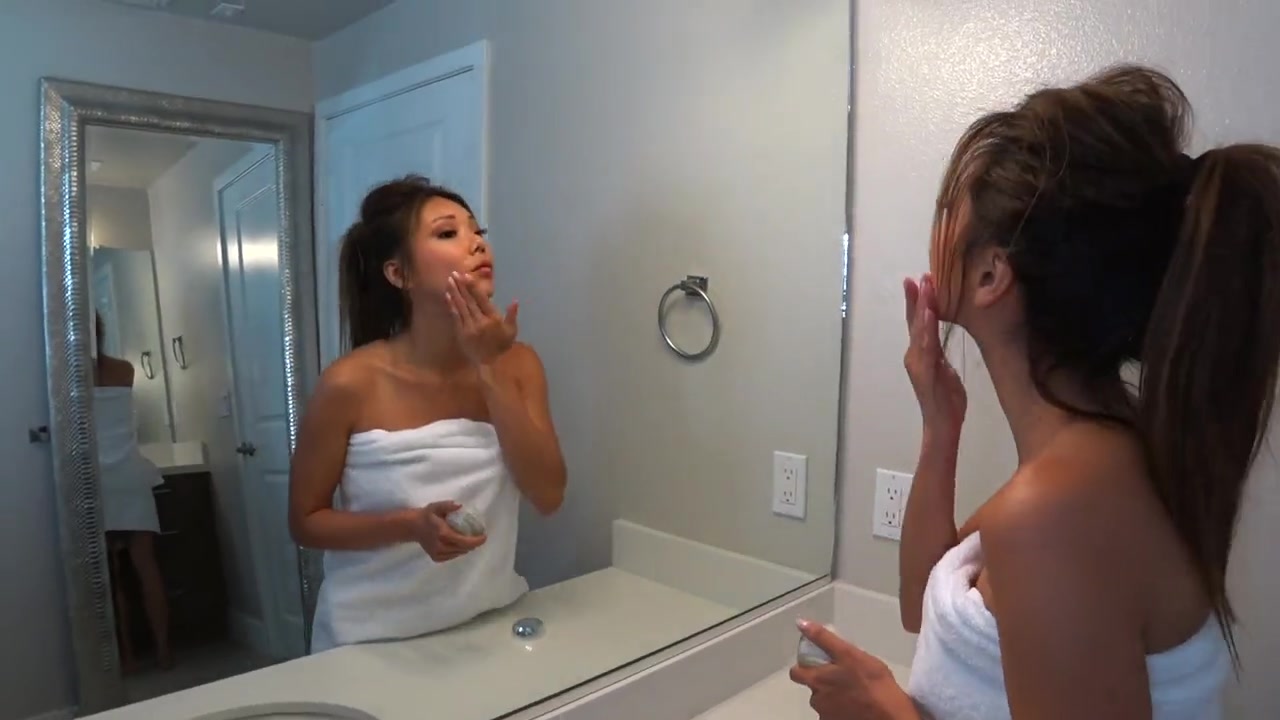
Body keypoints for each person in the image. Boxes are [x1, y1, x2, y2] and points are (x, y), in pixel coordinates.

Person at [791, 65, 1279, 719]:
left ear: (991, 274)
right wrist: (940, 425)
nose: (935, 231)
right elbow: (920, 606)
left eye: (947, 213)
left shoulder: (1058, 510)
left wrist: (885, 711)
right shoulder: (1096, 454)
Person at [289, 175, 567, 653]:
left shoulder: (518, 364)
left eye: (478, 231)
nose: (477, 243)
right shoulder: (349, 383)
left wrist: (488, 368)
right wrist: (409, 525)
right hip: (368, 639)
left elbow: (548, 494)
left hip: (487, 624)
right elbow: (305, 521)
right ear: (400, 275)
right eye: (448, 233)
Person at [93, 313, 173, 672]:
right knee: (146, 567)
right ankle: (164, 651)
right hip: (130, 473)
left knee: (111, 576)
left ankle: (126, 657)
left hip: (96, 479)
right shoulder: (124, 370)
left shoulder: (68, 377)